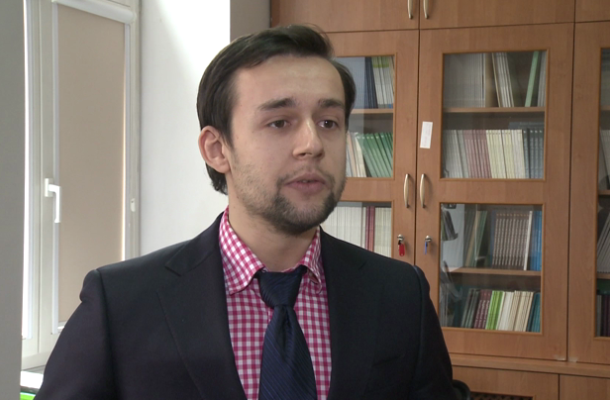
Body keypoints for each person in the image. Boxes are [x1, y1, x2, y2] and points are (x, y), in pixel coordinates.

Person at [35, 25, 456, 400]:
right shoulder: (121, 303)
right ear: (217, 149)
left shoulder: (401, 295)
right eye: (280, 122)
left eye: (329, 122)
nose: (312, 144)